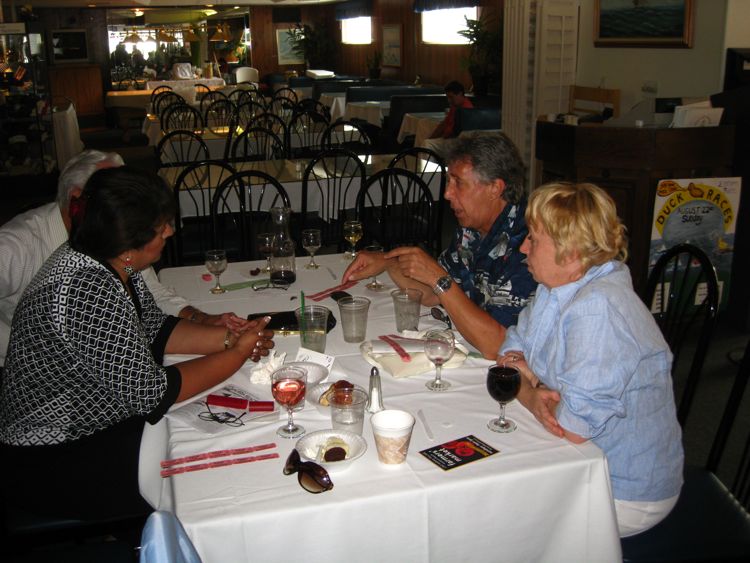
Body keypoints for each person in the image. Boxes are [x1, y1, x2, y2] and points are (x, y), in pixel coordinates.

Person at [0, 166, 274, 520]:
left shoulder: (107, 262)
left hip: (87, 423)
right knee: (206, 466)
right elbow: (152, 394)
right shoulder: (88, 287)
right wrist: (237, 354)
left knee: (210, 431)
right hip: (54, 454)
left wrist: (227, 338)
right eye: (163, 226)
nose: (172, 232)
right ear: (132, 240)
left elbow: (156, 328)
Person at [498, 182, 683, 537]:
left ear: (570, 254)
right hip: (579, 461)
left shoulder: (599, 309)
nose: (523, 247)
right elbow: (510, 347)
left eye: (533, 239)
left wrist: (527, 388)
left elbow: (572, 428)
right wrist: (532, 387)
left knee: (501, 519)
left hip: (621, 488)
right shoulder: (557, 287)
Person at [0, 149, 250, 367]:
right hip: (52, 394)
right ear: (79, 200)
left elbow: (153, 305)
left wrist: (209, 325)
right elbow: (149, 390)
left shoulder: (120, 248)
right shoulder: (19, 244)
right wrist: (21, 348)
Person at [343, 132, 536, 358]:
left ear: (495, 188)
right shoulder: (471, 230)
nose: (446, 193)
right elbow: (434, 295)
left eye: (458, 183)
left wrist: (438, 278)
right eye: (448, 181)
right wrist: (388, 262)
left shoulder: (530, 244)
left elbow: (497, 345)